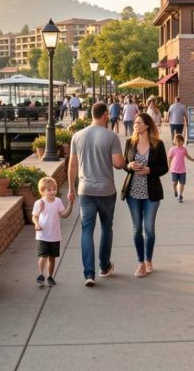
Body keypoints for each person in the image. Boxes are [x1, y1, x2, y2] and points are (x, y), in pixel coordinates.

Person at [67, 102, 126, 286]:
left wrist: (71, 189)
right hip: (107, 190)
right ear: (105, 115)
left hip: (85, 190)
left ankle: (89, 274)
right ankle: (104, 266)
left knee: (86, 230)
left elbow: (72, 165)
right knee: (106, 228)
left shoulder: (77, 136)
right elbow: (119, 163)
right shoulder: (111, 137)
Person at [121, 112, 168, 278]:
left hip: (151, 194)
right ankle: (140, 263)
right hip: (133, 193)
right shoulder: (129, 143)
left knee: (149, 229)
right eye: (134, 123)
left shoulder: (158, 144)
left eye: (138, 123)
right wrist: (130, 164)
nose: (135, 125)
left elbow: (164, 167)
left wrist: (150, 170)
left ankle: (148, 259)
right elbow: (124, 165)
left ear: (147, 125)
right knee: (137, 229)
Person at [32, 176, 75, 286]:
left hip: (55, 235)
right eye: (49, 190)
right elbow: (35, 216)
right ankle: (41, 274)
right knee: (43, 256)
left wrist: (71, 204)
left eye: (54, 189)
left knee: (52, 258)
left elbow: (64, 214)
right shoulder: (39, 203)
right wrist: (36, 224)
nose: (52, 192)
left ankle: (50, 276)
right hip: (43, 235)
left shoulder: (58, 202)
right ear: (42, 191)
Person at [167, 133, 194, 203]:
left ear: (183, 141)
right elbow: (170, 158)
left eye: (181, 141)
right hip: (174, 169)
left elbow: (188, 156)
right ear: (174, 142)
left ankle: (180, 195)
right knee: (175, 182)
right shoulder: (172, 149)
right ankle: (175, 190)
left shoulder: (184, 149)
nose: (179, 142)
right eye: (177, 141)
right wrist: (168, 166)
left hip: (182, 170)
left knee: (182, 183)